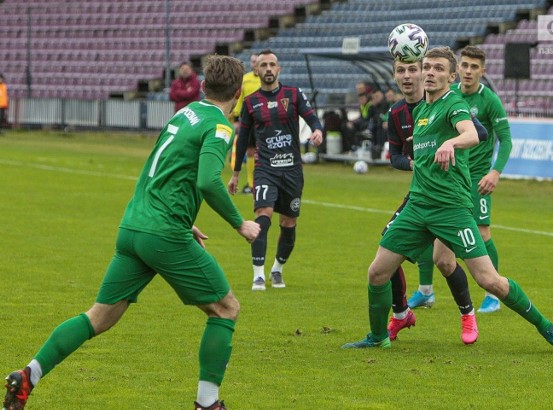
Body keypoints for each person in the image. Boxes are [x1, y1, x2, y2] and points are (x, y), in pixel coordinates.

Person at [3, 54, 261, 410]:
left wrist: (185, 218)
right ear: (238, 91)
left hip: (134, 225)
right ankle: (208, 404)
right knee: (226, 309)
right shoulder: (218, 127)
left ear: (203, 86)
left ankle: (28, 375)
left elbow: (164, 171)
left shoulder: (183, 115)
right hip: (164, 233)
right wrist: (240, 223)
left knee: (100, 316)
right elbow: (206, 181)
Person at [342, 47, 553, 355]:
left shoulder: (454, 103)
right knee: (377, 272)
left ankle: (548, 328)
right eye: (427, 67)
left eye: (438, 68)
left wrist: (452, 141)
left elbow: (471, 134)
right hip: (417, 207)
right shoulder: (422, 109)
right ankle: (376, 337)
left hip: (451, 209)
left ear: (451, 77)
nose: (429, 72)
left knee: (489, 280)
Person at [384, 58, 487, 344]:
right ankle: (401, 313)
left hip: (448, 193)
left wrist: (451, 142)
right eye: (400, 71)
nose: (407, 76)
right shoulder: (395, 113)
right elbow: (394, 156)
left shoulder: (447, 104)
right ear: (394, 77)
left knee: (445, 261)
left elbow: (480, 132)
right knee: (386, 250)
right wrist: (414, 164)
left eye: (412, 70)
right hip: (419, 193)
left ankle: (467, 314)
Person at [227, 49, 323, 291]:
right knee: (263, 215)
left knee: (289, 223)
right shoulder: (250, 103)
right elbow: (243, 137)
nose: (268, 69)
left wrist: (318, 130)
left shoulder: (293, 94)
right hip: (265, 169)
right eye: (264, 65)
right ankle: (258, 274)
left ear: (278, 69)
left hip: (292, 170)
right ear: (256, 71)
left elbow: (312, 117)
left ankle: (277, 269)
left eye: (272, 65)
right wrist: (236, 173)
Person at [452, 45, 512, 313]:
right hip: (453, 175)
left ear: (482, 71)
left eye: (474, 67)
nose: (468, 71)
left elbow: (506, 140)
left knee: (483, 231)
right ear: (458, 68)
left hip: (478, 177)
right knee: (434, 233)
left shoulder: (489, 100)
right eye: (464, 65)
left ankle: (493, 294)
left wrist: (494, 172)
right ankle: (425, 291)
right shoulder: (450, 95)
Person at [230, 54, 261, 194]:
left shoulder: (266, 79)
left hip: (263, 120)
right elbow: (240, 100)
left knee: (262, 151)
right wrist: (236, 119)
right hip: (249, 120)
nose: (254, 64)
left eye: (257, 61)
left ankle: (262, 181)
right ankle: (251, 183)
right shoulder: (246, 79)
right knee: (250, 151)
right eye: (253, 61)